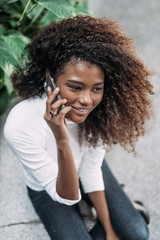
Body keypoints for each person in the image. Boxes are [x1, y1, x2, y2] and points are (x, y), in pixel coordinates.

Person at [4, 15, 153, 240]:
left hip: (86, 168)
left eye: (96, 89)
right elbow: (67, 196)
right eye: (75, 87)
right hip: (50, 189)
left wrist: (111, 231)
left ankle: (116, 210)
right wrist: (61, 137)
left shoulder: (97, 113)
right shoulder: (20, 123)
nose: (86, 100)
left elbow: (91, 171)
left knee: (138, 234)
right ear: (50, 78)